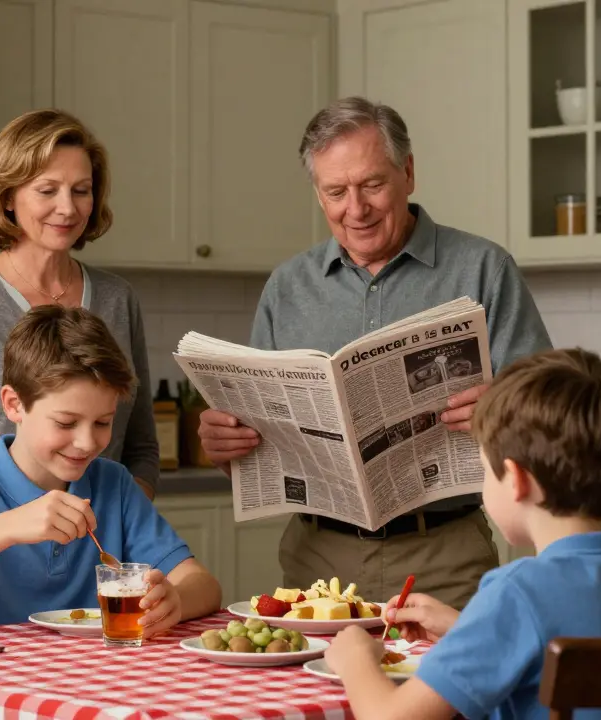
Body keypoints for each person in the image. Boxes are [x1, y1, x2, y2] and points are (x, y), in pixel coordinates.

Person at [198, 96, 553, 608]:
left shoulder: (484, 269)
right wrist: (225, 447)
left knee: (449, 690)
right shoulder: (287, 286)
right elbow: (259, 451)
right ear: (319, 195)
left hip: (445, 553)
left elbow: (551, 423)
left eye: (371, 185)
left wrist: (507, 410)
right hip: (314, 559)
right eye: (335, 191)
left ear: (407, 172)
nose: (355, 209)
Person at [323, 348, 601, 720]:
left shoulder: (516, 590)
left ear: (516, 480)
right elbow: (561, 642)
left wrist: (355, 661)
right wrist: (466, 628)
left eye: (484, 469)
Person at [0, 305, 222, 634]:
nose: (87, 442)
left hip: (83, 683)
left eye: (103, 422)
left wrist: (175, 600)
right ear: (14, 405)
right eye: (66, 422)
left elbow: (202, 584)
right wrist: (9, 527)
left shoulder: (113, 485)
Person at [0, 109, 159, 498]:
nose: (68, 208)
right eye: (47, 190)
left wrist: (123, 520)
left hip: (96, 542)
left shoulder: (117, 299)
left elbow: (140, 447)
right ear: (8, 197)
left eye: (81, 190)